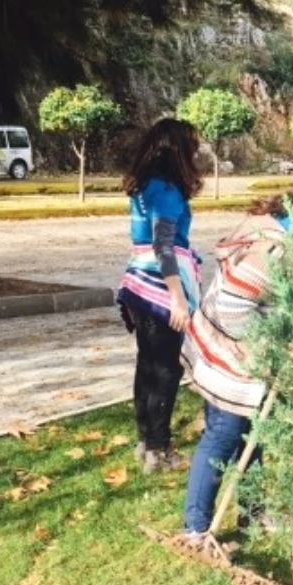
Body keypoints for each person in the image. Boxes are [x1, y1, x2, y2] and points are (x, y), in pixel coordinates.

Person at [177, 196, 293, 549]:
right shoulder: (273, 254)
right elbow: (233, 309)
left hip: (250, 357)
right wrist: (277, 346)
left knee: (255, 434)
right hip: (228, 354)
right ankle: (195, 528)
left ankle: (252, 513)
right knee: (224, 434)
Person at [116, 118, 202, 474]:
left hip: (137, 283)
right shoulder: (166, 191)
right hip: (159, 287)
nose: (196, 152)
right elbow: (163, 245)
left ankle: (145, 440)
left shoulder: (144, 186)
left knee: (148, 365)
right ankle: (159, 448)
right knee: (166, 368)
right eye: (192, 146)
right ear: (177, 151)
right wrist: (178, 298)